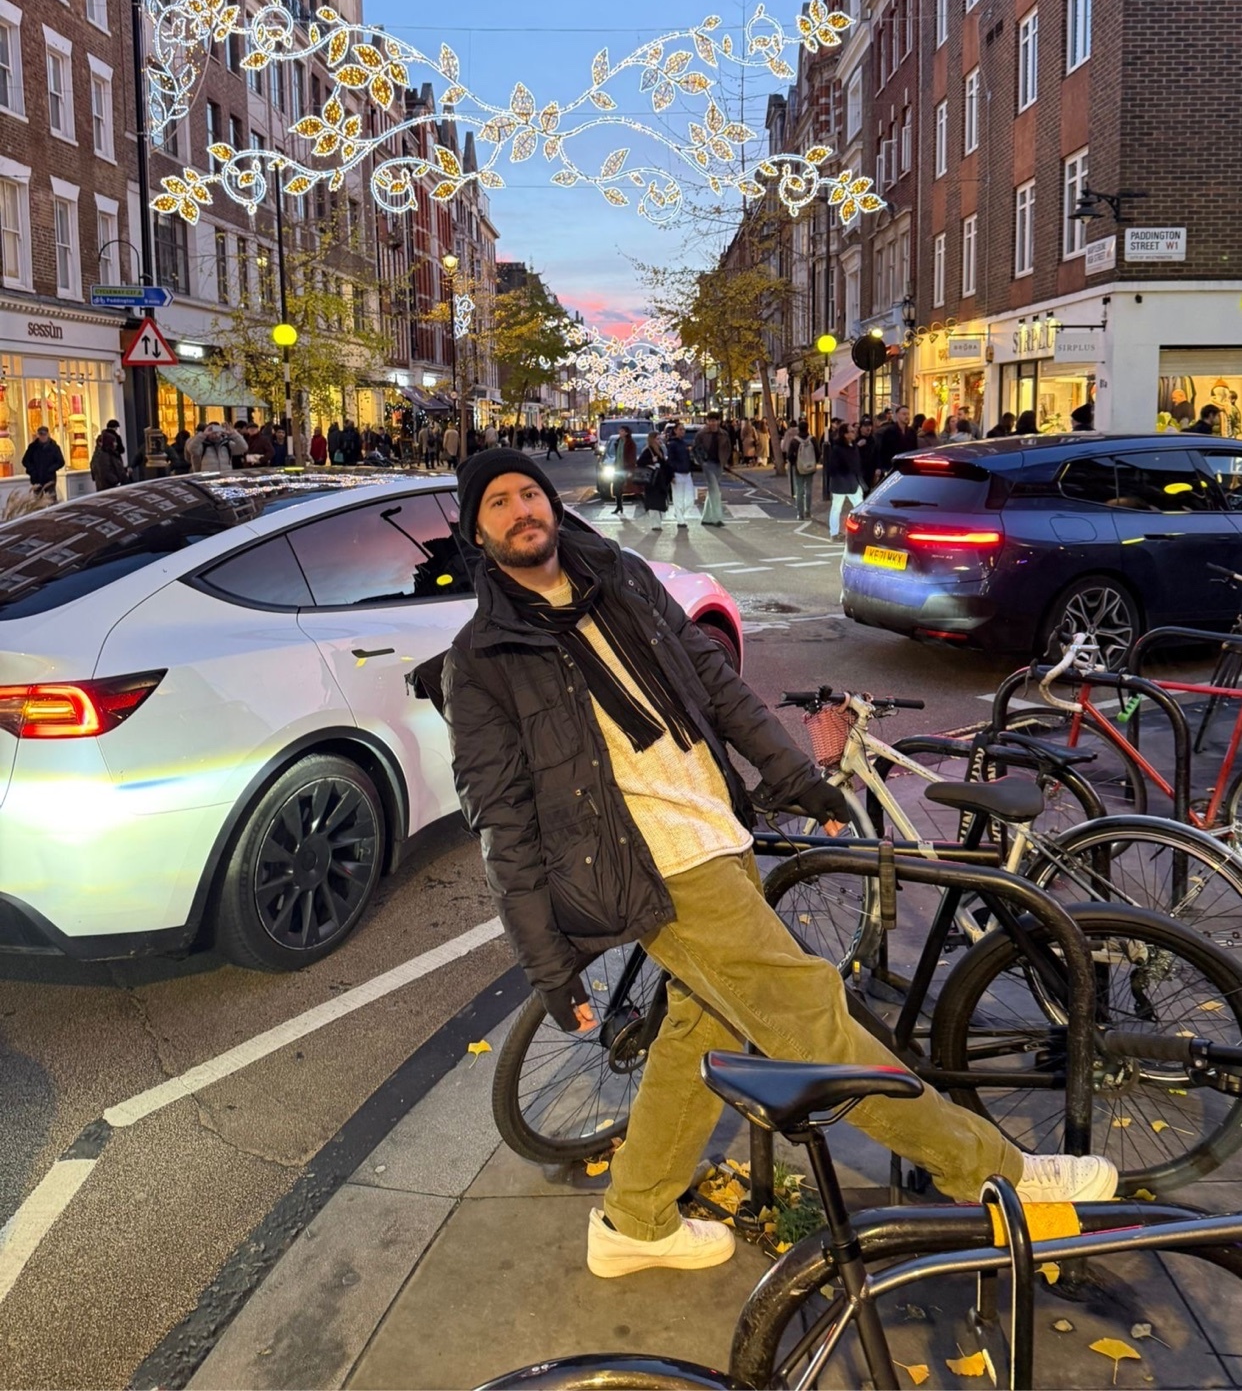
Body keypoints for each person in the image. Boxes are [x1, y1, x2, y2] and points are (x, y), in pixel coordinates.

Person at [436, 450, 1119, 1280]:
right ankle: (997, 1174)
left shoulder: (621, 580)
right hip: (656, 868)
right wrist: (548, 964)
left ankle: (635, 1218)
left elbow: (718, 689)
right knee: (813, 1017)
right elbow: (501, 818)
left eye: (529, 493)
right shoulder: (480, 659)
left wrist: (791, 774)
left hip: (715, 835)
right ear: (478, 529)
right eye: (498, 502)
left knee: (698, 1030)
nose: (520, 510)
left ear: (552, 503)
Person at [692, 412, 732, 527]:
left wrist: (725, 461)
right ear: (707, 421)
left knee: (712, 490)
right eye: (711, 420)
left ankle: (707, 517)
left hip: (719, 464)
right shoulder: (701, 434)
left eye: (715, 420)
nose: (713, 423)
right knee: (715, 490)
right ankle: (717, 518)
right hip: (707, 464)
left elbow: (728, 448)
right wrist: (701, 462)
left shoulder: (724, 434)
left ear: (719, 421)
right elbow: (695, 449)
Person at [825, 424, 863, 538]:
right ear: (845, 435)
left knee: (860, 507)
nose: (854, 432)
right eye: (851, 431)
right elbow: (832, 467)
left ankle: (859, 532)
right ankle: (834, 533)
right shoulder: (838, 449)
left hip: (852, 481)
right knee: (837, 508)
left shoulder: (853, 446)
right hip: (842, 482)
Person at [635, 431, 672, 531]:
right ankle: (655, 524)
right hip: (652, 480)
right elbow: (639, 463)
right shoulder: (648, 451)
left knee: (660, 501)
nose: (659, 440)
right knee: (653, 501)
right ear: (652, 439)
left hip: (660, 480)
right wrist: (652, 462)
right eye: (657, 439)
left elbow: (664, 464)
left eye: (660, 438)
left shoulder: (660, 449)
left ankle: (658, 522)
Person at [665, 421, 695, 528]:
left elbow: (687, 459)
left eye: (683, 429)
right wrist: (671, 474)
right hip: (677, 473)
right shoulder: (672, 444)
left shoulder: (684, 443)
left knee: (690, 499)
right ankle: (680, 520)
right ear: (675, 431)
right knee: (678, 497)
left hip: (687, 473)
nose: (682, 431)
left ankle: (679, 514)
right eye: (680, 429)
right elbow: (670, 460)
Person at [22, 424, 65, 496]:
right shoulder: (33, 447)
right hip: (36, 478)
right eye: (40, 434)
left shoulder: (54, 447)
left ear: (48, 434)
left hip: (49, 479)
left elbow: (61, 462)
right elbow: (25, 461)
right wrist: (32, 471)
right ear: (38, 435)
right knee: (38, 502)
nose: (42, 436)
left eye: (44, 434)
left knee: (51, 499)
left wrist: (51, 469)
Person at [789, 419, 817, 521]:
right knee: (808, 489)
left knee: (799, 490)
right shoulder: (812, 439)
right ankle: (808, 511)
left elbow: (790, 456)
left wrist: (794, 463)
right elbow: (818, 453)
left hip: (799, 468)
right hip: (810, 467)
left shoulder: (794, 441)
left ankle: (800, 513)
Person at [877, 405, 918, 475]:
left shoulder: (912, 432)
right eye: (904, 414)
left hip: (908, 468)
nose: (907, 416)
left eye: (908, 414)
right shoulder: (889, 431)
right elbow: (884, 452)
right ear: (897, 415)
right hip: (893, 468)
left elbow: (915, 450)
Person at [612, 425, 637, 517]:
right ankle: (619, 506)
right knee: (617, 489)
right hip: (618, 468)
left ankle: (645, 503)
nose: (620, 432)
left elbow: (632, 456)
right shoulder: (618, 441)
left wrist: (630, 466)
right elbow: (617, 454)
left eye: (622, 431)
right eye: (620, 431)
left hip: (626, 468)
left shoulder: (630, 443)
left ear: (626, 433)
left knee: (632, 488)